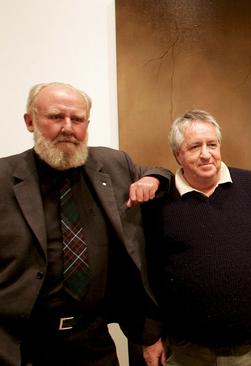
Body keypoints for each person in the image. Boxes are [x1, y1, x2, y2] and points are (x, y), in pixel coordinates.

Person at [0, 82, 171, 366]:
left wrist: (151, 179)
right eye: (56, 117)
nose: (68, 127)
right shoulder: (4, 179)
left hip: (92, 342)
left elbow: (161, 174)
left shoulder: (112, 164)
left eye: (77, 119)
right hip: (23, 345)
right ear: (30, 121)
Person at [140, 110, 251, 366]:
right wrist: (150, 337)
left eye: (212, 145)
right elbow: (144, 274)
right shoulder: (160, 203)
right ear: (178, 155)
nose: (206, 154)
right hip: (187, 353)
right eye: (195, 147)